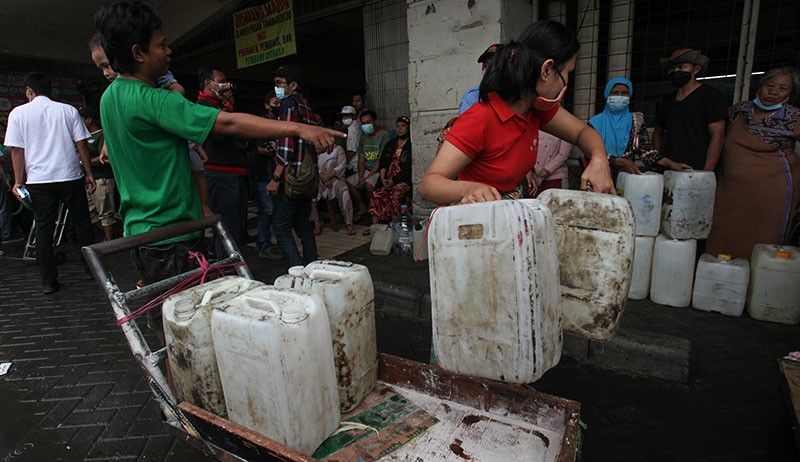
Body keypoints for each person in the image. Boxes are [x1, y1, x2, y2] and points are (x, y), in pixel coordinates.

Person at [93, 1, 343, 314]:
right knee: (187, 327)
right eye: (162, 45)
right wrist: (298, 128)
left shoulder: (110, 97)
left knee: (165, 321)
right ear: (138, 53)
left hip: (141, 233)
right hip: (172, 235)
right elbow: (230, 122)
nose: (169, 52)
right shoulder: (155, 102)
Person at [419, 20, 614, 205]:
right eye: (567, 73)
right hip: (475, 223)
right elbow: (429, 185)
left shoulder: (534, 110)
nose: (567, 82)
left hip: (509, 218)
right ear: (547, 70)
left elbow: (582, 133)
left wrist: (598, 159)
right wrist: (469, 189)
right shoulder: (480, 118)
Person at [89, 33, 211, 218]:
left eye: (107, 64)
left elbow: (179, 93)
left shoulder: (156, 80)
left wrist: (169, 107)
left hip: (173, 132)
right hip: (148, 208)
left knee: (195, 166)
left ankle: (203, 205)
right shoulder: (111, 98)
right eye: (101, 68)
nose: (106, 73)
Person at [4, 72, 97, 294]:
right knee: (82, 224)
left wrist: (18, 181)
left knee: (43, 229)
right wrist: (89, 173)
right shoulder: (68, 110)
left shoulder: (18, 114)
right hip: (70, 176)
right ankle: (91, 270)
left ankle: (49, 281)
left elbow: (17, 150)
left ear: (29, 91)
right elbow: (82, 144)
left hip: (39, 181)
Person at [707, 67, 800, 259]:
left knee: (764, 240)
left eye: (782, 89)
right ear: (760, 87)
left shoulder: (793, 117)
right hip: (730, 189)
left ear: (790, 94)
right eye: (769, 86)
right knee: (723, 231)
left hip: (771, 193)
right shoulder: (739, 111)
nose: (773, 92)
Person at [265, 63, 322, 267]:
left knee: (280, 227)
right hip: (308, 178)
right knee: (303, 225)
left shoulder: (288, 105)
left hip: (293, 177)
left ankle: (297, 269)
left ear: (293, 85)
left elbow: (287, 144)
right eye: (275, 84)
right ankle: (311, 267)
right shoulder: (305, 106)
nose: (277, 88)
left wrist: (275, 178)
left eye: (280, 83)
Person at [196, 64, 250, 253]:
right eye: (221, 82)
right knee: (225, 230)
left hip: (233, 174)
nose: (226, 86)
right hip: (220, 175)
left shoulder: (218, 106)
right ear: (208, 84)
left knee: (235, 228)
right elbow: (218, 137)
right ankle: (225, 270)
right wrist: (228, 109)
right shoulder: (203, 107)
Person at [652, 49, 727, 172]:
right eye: (673, 68)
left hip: (697, 167)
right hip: (669, 167)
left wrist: (707, 171)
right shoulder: (668, 100)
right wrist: (657, 160)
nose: (676, 71)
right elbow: (658, 132)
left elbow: (717, 136)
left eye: (682, 67)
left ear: (696, 69)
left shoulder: (711, 96)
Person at [588, 77, 662, 181]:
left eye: (624, 93)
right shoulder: (595, 123)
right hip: (599, 178)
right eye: (615, 92)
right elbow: (590, 152)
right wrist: (619, 161)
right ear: (607, 95)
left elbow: (646, 152)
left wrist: (670, 163)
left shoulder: (636, 122)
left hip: (627, 178)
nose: (619, 96)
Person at [248, 92, 283, 259]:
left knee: (271, 210)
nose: (279, 105)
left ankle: (262, 243)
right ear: (267, 105)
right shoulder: (262, 123)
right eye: (275, 102)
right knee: (267, 210)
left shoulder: (280, 121)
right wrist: (279, 154)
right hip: (263, 173)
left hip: (272, 172)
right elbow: (260, 148)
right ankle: (265, 246)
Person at [364, 116, 413, 232]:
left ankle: (394, 229)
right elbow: (383, 163)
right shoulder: (391, 144)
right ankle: (374, 228)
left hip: (402, 181)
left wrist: (394, 181)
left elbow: (408, 168)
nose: (399, 129)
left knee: (395, 196)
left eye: (403, 126)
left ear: (408, 128)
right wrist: (383, 178)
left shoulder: (411, 145)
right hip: (386, 179)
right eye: (397, 126)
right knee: (376, 194)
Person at [78, 106, 117, 241]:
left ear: (89, 120)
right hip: (90, 180)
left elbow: (104, 158)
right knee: (90, 212)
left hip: (102, 178)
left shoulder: (101, 135)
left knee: (105, 213)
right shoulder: (83, 137)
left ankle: (110, 240)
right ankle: (110, 236)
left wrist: (83, 162)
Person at [347, 110, 391, 217]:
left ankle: (375, 210)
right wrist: (361, 176)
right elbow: (361, 159)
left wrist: (368, 177)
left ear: (374, 121)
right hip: (366, 170)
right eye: (363, 123)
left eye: (368, 122)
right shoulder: (363, 138)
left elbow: (381, 160)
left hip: (378, 170)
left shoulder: (385, 136)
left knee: (368, 184)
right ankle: (363, 206)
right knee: (348, 182)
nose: (366, 125)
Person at [311, 141, 355, 236]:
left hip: (335, 179)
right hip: (319, 180)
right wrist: (322, 177)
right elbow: (314, 166)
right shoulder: (316, 150)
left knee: (344, 191)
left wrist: (329, 176)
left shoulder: (338, 150)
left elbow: (341, 166)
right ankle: (316, 223)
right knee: (310, 193)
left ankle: (349, 223)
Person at [459, 43, 503, 114]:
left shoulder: (515, 96)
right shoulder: (472, 96)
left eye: (494, 65)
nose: (488, 70)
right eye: (485, 65)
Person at [526, 130, 572, 197]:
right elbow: (528, 148)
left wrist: (547, 170)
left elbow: (563, 155)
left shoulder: (565, 129)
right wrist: (530, 170)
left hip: (556, 179)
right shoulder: (536, 126)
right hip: (534, 178)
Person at [338, 105, 361, 179]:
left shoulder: (352, 130)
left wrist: (344, 163)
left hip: (354, 164)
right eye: (343, 116)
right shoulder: (356, 126)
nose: (345, 118)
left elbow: (352, 151)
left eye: (347, 115)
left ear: (353, 116)